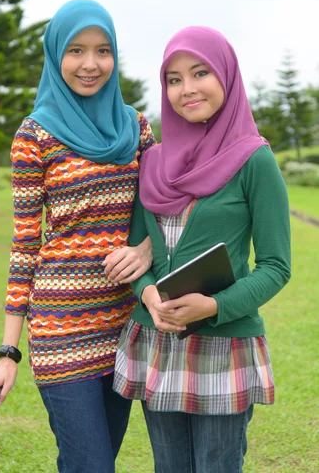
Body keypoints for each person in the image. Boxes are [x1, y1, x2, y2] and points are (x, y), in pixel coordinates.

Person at [0, 0, 155, 473]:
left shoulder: (136, 128)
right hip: (62, 331)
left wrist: (146, 247)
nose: (91, 64)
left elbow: (163, 210)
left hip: (126, 326)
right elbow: (24, 247)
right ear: (56, 55)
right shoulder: (34, 136)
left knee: (94, 462)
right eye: (76, 50)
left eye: (102, 50)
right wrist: (8, 353)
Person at [113, 26, 291, 473]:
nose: (186, 89)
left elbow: (275, 266)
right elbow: (139, 253)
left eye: (199, 73)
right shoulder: (152, 161)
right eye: (174, 79)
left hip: (222, 348)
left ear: (226, 77)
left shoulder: (254, 159)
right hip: (157, 340)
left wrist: (213, 305)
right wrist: (148, 294)